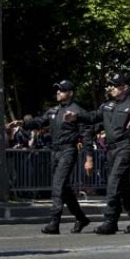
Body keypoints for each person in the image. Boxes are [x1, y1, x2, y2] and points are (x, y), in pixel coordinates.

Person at [6, 79, 92, 234]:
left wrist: (89, 158)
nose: (58, 92)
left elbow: (86, 135)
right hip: (55, 152)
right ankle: (81, 218)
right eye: (57, 90)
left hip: (68, 150)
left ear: (70, 93)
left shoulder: (77, 112)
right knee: (64, 188)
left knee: (58, 186)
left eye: (62, 90)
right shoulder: (53, 111)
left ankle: (54, 222)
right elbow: (39, 121)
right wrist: (21, 123)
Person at [65, 73, 130, 235]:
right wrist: (76, 116)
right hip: (110, 149)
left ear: (124, 87)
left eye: (115, 85)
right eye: (111, 86)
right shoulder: (107, 106)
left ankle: (110, 221)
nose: (112, 89)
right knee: (122, 187)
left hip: (125, 147)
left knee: (113, 183)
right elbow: (92, 117)